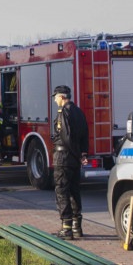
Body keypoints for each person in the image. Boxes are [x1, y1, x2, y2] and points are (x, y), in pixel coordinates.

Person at [50, 85, 89, 240]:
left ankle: (66, 229)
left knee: (62, 191)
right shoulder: (79, 112)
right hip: (73, 158)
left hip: (64, 157)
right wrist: (83, 153)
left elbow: (66, 137)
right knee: (74, 191)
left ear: (61, 97)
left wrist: (77, 154)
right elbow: (85, 134)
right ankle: (77, 226)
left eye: (55, 97)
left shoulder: (63, 113)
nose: (54, 100)